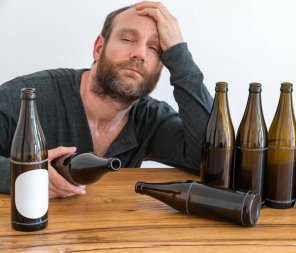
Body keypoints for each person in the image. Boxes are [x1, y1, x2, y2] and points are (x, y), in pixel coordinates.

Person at [0, 1, 212, 198]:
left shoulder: (152, 120)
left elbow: (210, 159)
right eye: (128, 39)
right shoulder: (24, 98)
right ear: (99, 48)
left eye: (154, 48)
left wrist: (179, 55)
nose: (140, 53)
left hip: (109, 234)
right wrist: (22, 174)